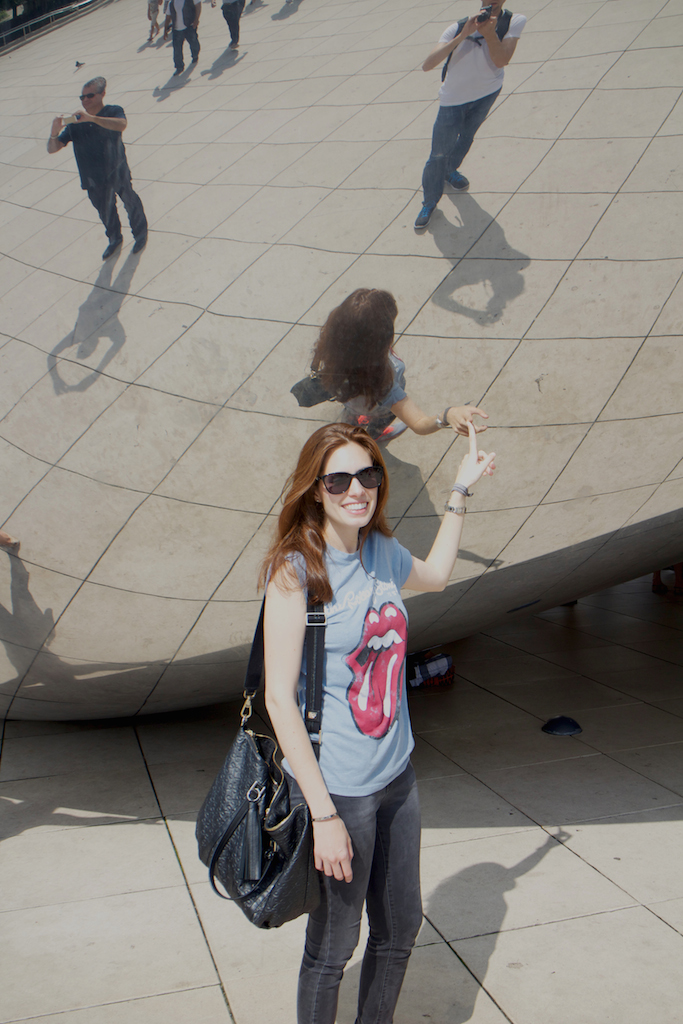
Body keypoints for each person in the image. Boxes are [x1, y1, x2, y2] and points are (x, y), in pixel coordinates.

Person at [261, 420, 496, 1023]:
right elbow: (279, 700)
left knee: (401, 926)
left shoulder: (381, 552)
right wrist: (324, 815)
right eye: (338, 479)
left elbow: (437, 577)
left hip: (397, 776)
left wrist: (459, 493)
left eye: (366, 475)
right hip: (339, 787)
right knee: (334, 946)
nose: (355, 490)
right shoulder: (296, 573)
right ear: (316, 489)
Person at [309, 288, 488, 443]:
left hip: (350, 399)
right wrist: (447, 415)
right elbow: (419, 424)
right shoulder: (383, 381)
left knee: (351, 416)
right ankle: (374, 434)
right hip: (377, 406)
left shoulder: (330, 348)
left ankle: (352, 425)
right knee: (382, 417)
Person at [415, 0, 526, 228]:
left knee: (466, 137)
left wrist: (489, 34)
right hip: (453, 100)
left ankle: (450, 170)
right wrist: (464, 33)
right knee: (438, 153)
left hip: (487, 93)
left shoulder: (513, 21)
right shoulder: (457, 27)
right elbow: (427, 65)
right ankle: (429, 201)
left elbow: (502, 59)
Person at [47, 78, 148, 261]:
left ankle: (140, 233)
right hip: (92, 177)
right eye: (82, 97)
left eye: (90, 96)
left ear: (102, 94)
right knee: (104, 210)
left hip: (116, 169)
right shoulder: (75, 121)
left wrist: (92, 119)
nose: (85, 100)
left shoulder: (112, 111)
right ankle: (114, 238)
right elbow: (53, 148)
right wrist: (54, 132)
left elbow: (121, 125)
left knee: (129, 201)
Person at [164, 0, 201, 74]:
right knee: (177, 49)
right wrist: (165, 30)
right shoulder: (171, 3)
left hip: (189, 26)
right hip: (177, 30)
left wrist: (196, 19)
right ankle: (179, 66)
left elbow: (198, 6)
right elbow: (168, 17)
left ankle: (195, 55)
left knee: (194, 42)